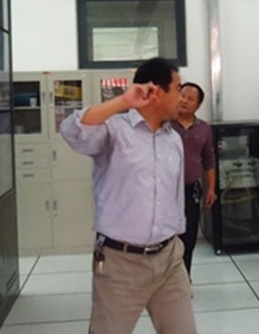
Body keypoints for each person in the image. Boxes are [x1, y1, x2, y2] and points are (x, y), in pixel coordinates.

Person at [59, 57, 197, 334]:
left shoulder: (173, 139)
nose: (182, 98)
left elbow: (173, 197)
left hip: (169, 259)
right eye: (177, 89)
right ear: (156, 92)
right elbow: (71, 131)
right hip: (121, 263)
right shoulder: (115, 130)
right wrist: (123, 101)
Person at [170, 82, 216, 278]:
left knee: (188, 237)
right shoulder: (165, 124)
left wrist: (211, 187)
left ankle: (184, 278)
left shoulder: (203, 128)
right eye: (182, 95)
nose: (184, 101)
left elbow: (208, 159)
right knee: (166, 239)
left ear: (198, 105)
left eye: (190, 99)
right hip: (166, 191)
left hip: (190, 190)